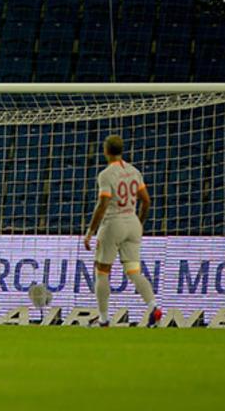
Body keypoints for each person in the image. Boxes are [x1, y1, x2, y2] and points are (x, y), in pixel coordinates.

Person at [83, 135, 162, 328]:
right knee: (134, 271)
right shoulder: (134, 171)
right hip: (133, 223)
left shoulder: (106, 174)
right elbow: (146, 200)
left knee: (102, 272)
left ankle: (103, 319)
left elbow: (103, 203)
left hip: (113, 223)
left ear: (106, 151)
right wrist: (139, 223)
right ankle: (154, 307)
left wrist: (90, 231)